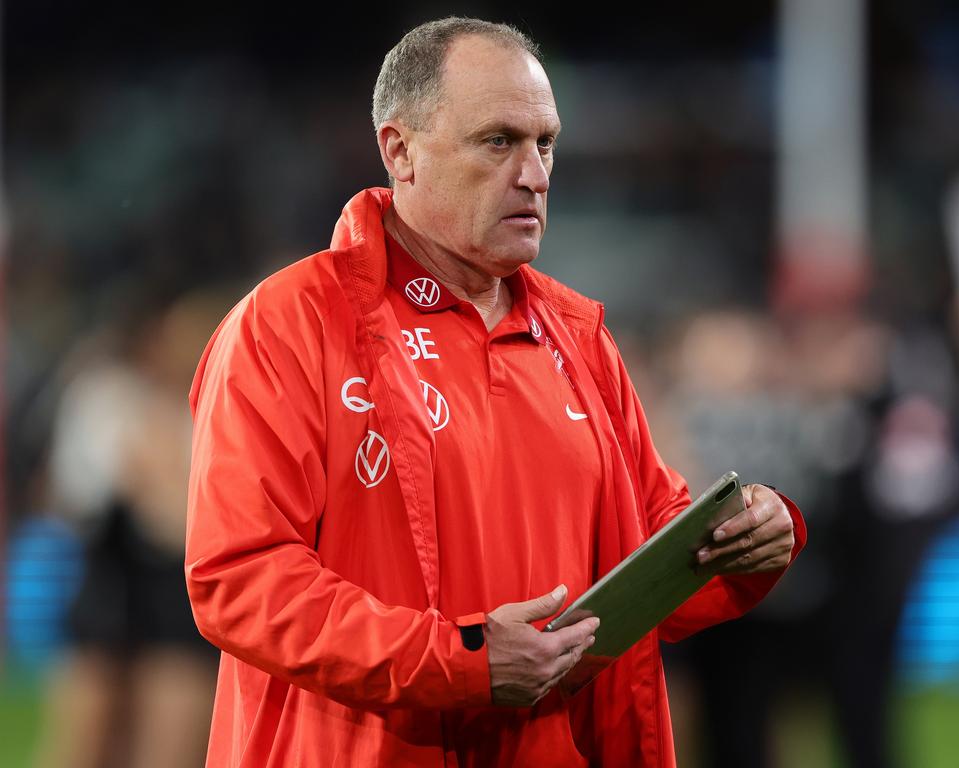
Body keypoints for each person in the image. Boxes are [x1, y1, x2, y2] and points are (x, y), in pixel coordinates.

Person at [185, 17, 806, 768]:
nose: (535, 174)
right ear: (399, 151)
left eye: (545, 143)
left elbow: (648, 547)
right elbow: (240, 578)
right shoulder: (289, 324)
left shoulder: (579, 337)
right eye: (498, 141)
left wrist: (750, 539)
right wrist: (463, 658)